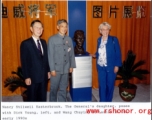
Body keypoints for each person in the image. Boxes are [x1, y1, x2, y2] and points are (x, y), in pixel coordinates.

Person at [20, 19, 50, 101]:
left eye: (41, 28)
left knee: (43, 97)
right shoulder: (25, 44)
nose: (39, 30)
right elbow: (24, 62)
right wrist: (26, 77)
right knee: (32, 98)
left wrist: (48, 71)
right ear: (31, 29)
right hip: (32, 78)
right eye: (36, 27)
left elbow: (45, 59)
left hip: (43, 77)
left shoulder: (44, 42)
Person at [91, 22, 122, 102]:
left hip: (111, 66)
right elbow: (99, 52)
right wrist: (94, 55)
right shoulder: (99, 40)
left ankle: (108, 103)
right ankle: (102, 102)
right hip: (101, 67)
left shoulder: (113, 39)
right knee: (102, 85)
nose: (105, 31)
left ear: (109, 30)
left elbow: (118, 53)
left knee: (110, 85)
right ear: (100, 31)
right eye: (103, 29)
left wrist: (117, 65)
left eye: (107, 29)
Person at [48, 19, 76, 102]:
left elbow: (71, 54)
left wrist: (71, 66)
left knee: (64, 88)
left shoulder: (69, 39)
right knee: (53, 89)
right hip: (56, 69)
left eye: (66, 27)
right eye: (62, 26)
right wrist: (52, 69)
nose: (64, 28)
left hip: (66, 68)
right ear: (58, 27)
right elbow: (50, 55)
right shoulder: (52, 39)